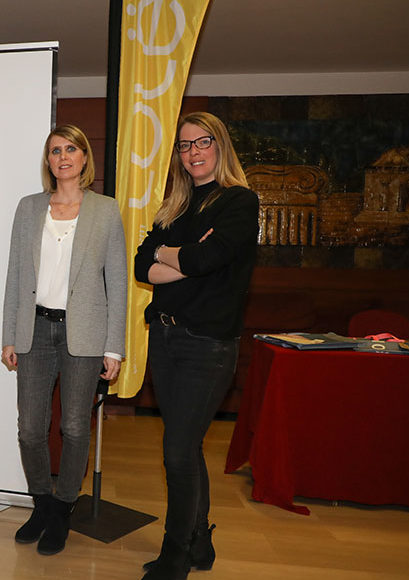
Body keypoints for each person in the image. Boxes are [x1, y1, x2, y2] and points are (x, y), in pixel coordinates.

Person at [134, 112, 259, 580]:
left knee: (177, 450)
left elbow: (208, 258)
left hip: (208, 345)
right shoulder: (175, 207)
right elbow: (141, 265)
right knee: (185, 446)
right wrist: (180, 257)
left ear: (220, 145)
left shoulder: (239, 201)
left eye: (202, 142)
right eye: (185, 146)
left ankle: (175, 553)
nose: (194, 152)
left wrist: (172, 256)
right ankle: (200, 541)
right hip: (165, 338)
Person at [1, 124, 127, 556]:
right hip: (35, 331)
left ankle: (63, 509)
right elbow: (15, 275)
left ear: (84, 157)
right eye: (55, 150)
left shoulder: (106, 211)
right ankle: (41, 503)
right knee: (30, 429)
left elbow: (118, 283)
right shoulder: (29, 208)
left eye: (71, 148)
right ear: (48, 160)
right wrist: (9, 335)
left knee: (74, 427)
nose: (63, 157)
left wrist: (114, 347)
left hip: (84, 334)